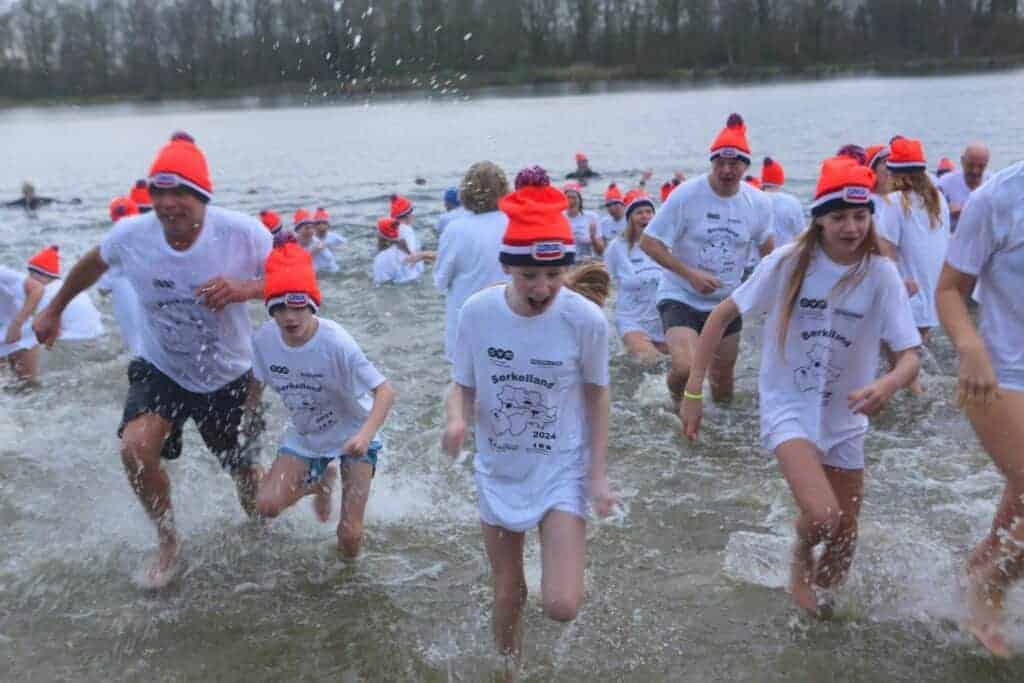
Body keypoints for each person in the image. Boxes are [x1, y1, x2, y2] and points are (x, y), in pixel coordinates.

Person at [682, 155, 921, 617]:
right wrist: (694, 393)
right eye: (838, 218)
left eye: (859, 215)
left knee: (846, 537)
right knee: (823, 517)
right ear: (819, 220)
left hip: (845, 416)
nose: (850, 227)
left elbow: (909, 355)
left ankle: (821, 628)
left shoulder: (880, 274)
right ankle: (797, 557)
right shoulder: (790, 263)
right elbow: (720, 315)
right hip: (788, 405)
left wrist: (889, 383)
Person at [32, 131, 273, 589]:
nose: (169, 203)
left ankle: (260, 532)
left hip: (229, 372)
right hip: (161, 365)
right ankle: (167, 540)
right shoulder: (132, 235)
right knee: (135, 449)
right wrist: (53, 308)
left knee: (247, 481)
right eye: (160, 191)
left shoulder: (243, 233)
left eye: (181, 192)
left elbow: (298, 279)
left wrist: (245, 289)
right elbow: (91, 263)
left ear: (203, 195)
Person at [441, 165, 615, 662]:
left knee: (561, 605)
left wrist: (598, 475)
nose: (542, 288)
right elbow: (462, 386)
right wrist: (456, 420)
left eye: (554, 275)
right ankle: (508, 670)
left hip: (561, 465)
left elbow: (598, 396)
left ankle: (568, 556)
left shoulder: (585, 320)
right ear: (507, 268)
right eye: (529, 275)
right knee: (510, 592)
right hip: (499, 466)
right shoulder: (477, 312)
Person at [252, 236, 394, 556]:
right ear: (271, 310)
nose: (290, 316)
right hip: (308, 436)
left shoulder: (335, 342)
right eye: (281, 308)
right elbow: (255, 383)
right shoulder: (263, 341)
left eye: (298, 305)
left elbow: (385, 392)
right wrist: (248, 417)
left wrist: (365, 434)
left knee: (349, 535)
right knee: (266, 504)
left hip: (354, 434)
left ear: (312, 304)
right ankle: (320, 481)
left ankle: (350, 588)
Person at [936, 160, 1024, 657]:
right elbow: (949, 288)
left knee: (1011, 524)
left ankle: (970, 582)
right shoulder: (998, 198)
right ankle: (991, 585)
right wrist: (968, 346)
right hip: (999, 374)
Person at [640, 113, 774, 414]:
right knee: (686, 369)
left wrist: (776, 294)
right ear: (712, 162)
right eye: (720, 163)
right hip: (681, 295)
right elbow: (649, 242)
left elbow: (769, 253)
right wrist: (689, 274)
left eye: (735, 163)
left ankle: (721, 442)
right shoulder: (686, 195)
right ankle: (675, 403)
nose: (727, 170)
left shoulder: (759, 203)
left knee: (724, 384)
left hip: (726, 302)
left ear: (745, 166)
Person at [876, 138, 951, 352]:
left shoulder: (894, 201)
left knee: (897, 357)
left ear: (895, 174)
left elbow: (886, 252)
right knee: (915, 353)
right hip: (932, 294)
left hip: (908, 292)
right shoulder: (938, 200)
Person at [433, 161, 510, 362]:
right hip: (508, 319)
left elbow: (439, 281)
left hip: (466, 323)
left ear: (466, 192)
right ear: (503, 190)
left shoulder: (455, 229)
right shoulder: (514, 223)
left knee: (465, 387)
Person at [604, 190, 666, 363]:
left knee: (670, 366)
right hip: (631, 318)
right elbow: (606, 280)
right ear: (630, 218)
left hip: (660, 318)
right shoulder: (617, 248)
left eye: (648, 212)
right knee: (650, 360)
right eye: (639, 213)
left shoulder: (666, 245)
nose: (645, 216)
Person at [98, 197, 144, 356]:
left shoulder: (108, 241)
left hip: (122, 289)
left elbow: (103, 289)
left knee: (134, 343)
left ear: (112, 217)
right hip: (149, 286)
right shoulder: (151, 234)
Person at [30, 246, 105, 343]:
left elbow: (40, 327)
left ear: (42, 274)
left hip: (74, 340)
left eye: (31, 274)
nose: (29, 278)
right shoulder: (69, 287)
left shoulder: (46, 293)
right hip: (97, 334)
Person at [0, 263, 45, 382]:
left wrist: (17, 324)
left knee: (28, 386)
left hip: (19, 334)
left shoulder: (2, 273)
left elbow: (37, 288)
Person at [938, 142, 990, 231]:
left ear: (987, 164)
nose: (975, 171)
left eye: (981, 166)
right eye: (970, 165)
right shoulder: (945, 182)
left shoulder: (992, 183)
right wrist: (945, 210)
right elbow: (931, 212)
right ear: (962, 161)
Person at [761, 157, 806, 247]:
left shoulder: (754, 199)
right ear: (781, 178)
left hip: (759, 257)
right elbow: (801, 234)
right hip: (785, 255)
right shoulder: (792, 202)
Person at [373, 217, 426, 285]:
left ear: (380, 236)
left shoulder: (381, 258)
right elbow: (420, 270)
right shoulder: (412, 251)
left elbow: (380, 284)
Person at [563, 182, 600, 260]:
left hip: (586, 261)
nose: (571, 201)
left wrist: (593, 238)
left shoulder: (591, 217)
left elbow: (601, 252)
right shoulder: (559, 217)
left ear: (580, 200)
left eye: (574, 198)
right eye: (568, 197)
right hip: (566, 262)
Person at [593, 183, 626, 256]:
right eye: (609, 205)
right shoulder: (604, 223)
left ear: (623, 205)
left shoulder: (632, 221)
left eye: (615, 204)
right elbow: (601, 250)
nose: (612, 208)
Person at [312, 207, 344, 273]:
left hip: (332, 261)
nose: (321, 225)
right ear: (313, 226)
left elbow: (346, 246)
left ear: (328, 225)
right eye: (318, 223)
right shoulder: (311, 238)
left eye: (324, 223)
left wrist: (332, 248)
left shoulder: (334, 236)